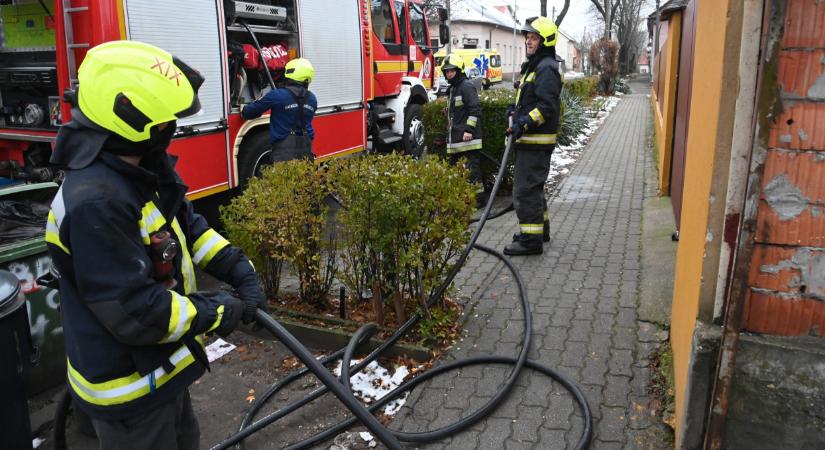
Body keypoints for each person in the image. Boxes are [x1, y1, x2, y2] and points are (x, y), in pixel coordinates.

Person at [45, 40, 266, 449]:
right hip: (129, 392)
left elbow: (187, 228)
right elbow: (136, 313)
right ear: (134, 122)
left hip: (160, 370)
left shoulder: (137, 167)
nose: (172, 129)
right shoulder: (98, 202)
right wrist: (218, 311)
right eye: (167, 122)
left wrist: (238, 268)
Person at [504, 16, 562, 256]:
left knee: (525, 191)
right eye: (528, 37)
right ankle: (539, 231)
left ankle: (530, 241)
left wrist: (524, 124)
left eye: (534, 37)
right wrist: (515, 111)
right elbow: (530, 99)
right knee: (534, 189)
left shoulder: (546, 67)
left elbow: (546, 106)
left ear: (545, 41)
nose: (529, 41)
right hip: (532, 142)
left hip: (535, 142)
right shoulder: (538, 65)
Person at [242, 58, 318, 163]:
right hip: (306, 153)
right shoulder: (312, 99)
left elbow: (249, 112)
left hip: (283, 155)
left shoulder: (277, 95)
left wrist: (244, 108)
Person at [441, 54, 485, 208]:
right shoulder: (453, 89)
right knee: (457, 171)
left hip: (468, 139)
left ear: (459, 71)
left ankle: (479, 200)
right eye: (446, 72)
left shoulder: (466, 86)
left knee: (472, 171)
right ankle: (462, 199)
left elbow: (475, 110)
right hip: (457, 140)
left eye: (452, 71)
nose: (449, 74)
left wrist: (469, 130)